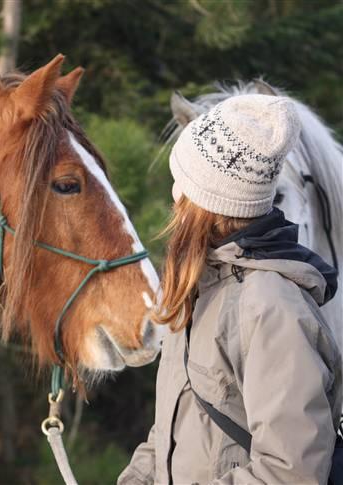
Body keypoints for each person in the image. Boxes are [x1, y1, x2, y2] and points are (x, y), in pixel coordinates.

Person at [118, 94, 341, 484]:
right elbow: (170, 430)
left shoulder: (272, 308)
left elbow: (292, 473)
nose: (173, 195)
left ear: (205, 201)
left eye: (180, 182)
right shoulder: (196, 287)